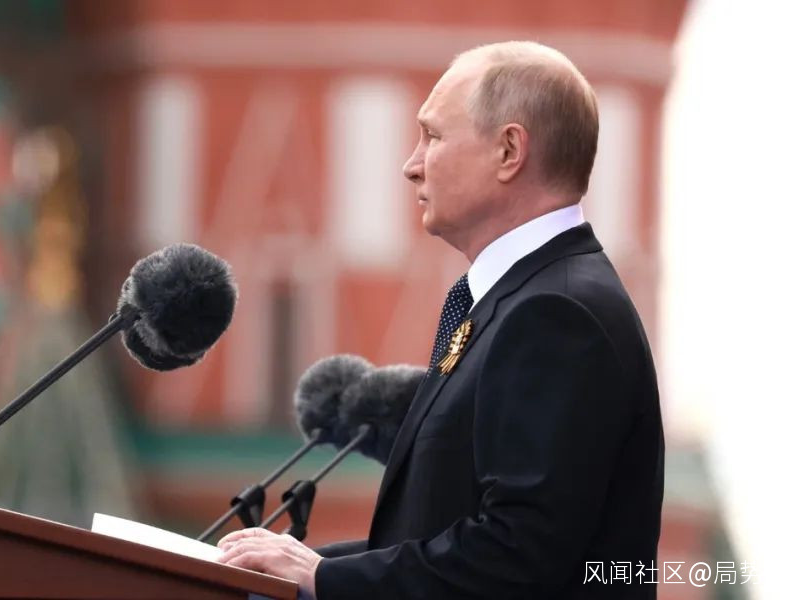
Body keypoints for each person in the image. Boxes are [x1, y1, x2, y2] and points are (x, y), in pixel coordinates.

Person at [217, 40, 664, 599]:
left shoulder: (555, 313)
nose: (411, 165)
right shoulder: (522, 298)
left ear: (509, 151)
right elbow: (440, 535)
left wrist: (323, 577)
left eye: (432, 136)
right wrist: (301, 565)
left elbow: (518, 556)